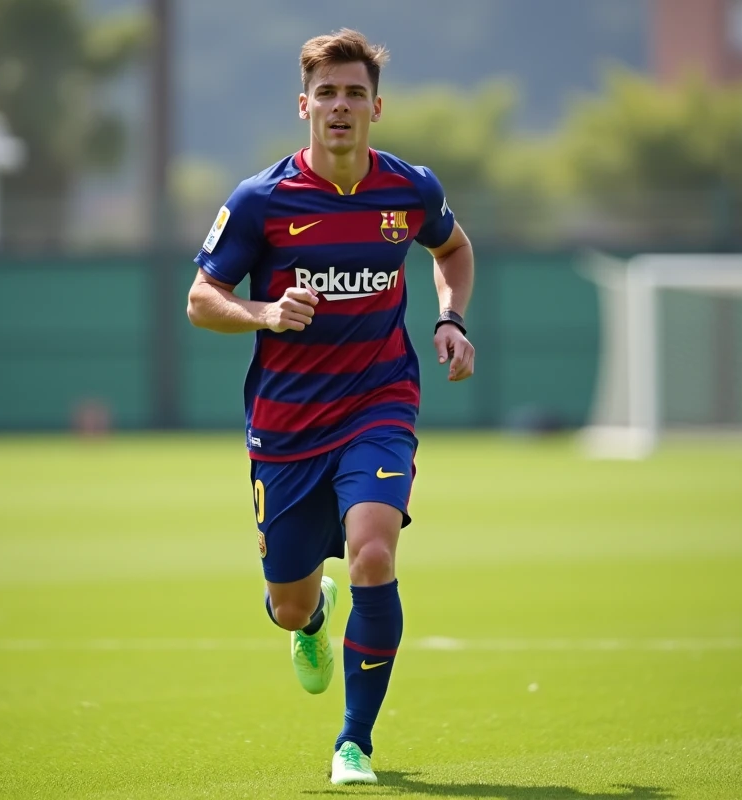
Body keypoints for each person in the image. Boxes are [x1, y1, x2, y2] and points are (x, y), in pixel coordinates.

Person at [186, 28, 475, 785]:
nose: (339, 106)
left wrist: (450, 318)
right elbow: (200, 299)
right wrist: (263, 314)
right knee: (286, 603)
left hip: (379, 402)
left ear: (375, 107)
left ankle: (355, 742)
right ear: (304, 105)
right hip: (285, 426)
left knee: (375, 552)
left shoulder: (410, 188)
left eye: (353, 94)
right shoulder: (262, 199)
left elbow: (453, 250)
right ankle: (311, 615)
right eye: (327, 94)